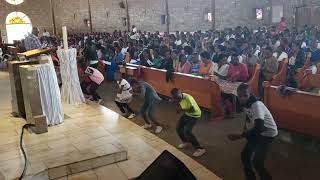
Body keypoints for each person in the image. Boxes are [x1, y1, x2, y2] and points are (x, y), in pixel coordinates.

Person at [228, 83, 278, 180]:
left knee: (257, 162)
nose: (242, 98)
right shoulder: (245, 104)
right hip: (258, 131)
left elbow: (260, 127)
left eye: (245, 95)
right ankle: (250, 177)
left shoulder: (257, 105)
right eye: (240, 96)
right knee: (245, 154)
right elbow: (248, 117)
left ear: (250, 94)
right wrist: (245, 130)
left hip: (268, 134)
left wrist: (240, 136)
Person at [171, 88, 206, 157]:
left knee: (187, 131)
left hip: (194, 115)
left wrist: (181, 109)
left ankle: (200, 149)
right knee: (178, 128)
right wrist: (177, 105)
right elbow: (177, 102)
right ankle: (186, 142)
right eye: (175, 98)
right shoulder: (177, 97)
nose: (177, 100)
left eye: (178, 98)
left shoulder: (188, 98)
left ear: (180, 93)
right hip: (187, 114)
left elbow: (192, 110)